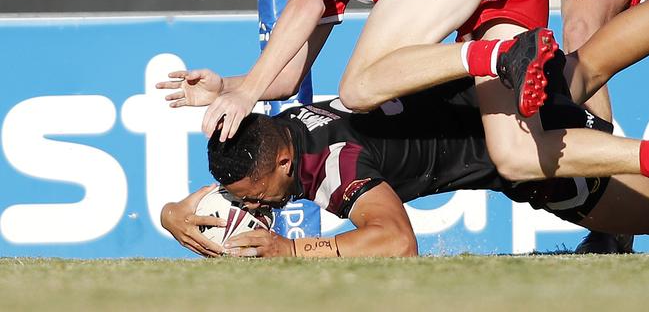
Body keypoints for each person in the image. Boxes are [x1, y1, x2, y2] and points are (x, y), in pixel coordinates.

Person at [172, 0, 649, 186]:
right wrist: (230, 87)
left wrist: (246, 94)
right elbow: (290, 78)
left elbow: (302, 4)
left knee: (358, 88)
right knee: (516, 156)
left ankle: (496, 55)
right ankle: (642, 157)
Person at [160, 80, 648, 258]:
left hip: (541, 157)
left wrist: (289, 250)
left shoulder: (335, 166)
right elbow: (249, 176)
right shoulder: (279, 129)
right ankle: (611, 236)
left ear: (285, 163)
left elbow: (396, 241)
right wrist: (170, 213)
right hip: (503, 98)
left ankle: (613, 232)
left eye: (252, 196)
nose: (252, 206)